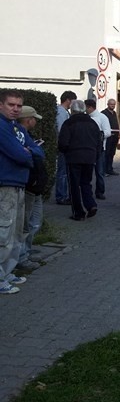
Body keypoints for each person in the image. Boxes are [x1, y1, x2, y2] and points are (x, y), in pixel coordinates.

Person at [0, 89, 44, 294]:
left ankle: (7, 273)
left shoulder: (17, 128)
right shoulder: (1, 127)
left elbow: (38, 152)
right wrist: (28, 154)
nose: (16, 109)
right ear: (1, 105)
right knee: (4, 233)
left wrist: (29, 152)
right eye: (11, 105)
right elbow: (20, 154)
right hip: (5, 185)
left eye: (19, 105)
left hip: (19, 185)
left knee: (17, 233)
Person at [58, 100, 102, 221]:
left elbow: (63, 143)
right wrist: (96, 156)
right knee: (86, 183)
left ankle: (78, 213)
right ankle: (91, 205)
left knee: (74, 186)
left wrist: (65, 152)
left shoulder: (68, 123)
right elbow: (99, 142)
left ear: (72, 110)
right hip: (90, 158)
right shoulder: (93, 123)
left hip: (74, 158)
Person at [17, 106, 47, 271]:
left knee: (34, 222)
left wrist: (33, 150)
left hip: (36, 188)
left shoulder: (27, 136)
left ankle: (25, 253)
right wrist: (32, 151)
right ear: (28, 120)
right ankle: (21, 257)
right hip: (29, 186)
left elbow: (39, 153)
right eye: (34, 118)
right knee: (26, 224)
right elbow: (24, 156)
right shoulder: (18, 135)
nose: (36, 121)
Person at [85, 99, 111, 200]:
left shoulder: (102, 117)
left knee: (99, 172)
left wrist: (98, 136)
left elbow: (108, 132)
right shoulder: (86, 118)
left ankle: (100, 191)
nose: (85, 110)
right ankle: (87, 191)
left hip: (100, 149)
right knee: (87, 172)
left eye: (86, 108)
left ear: (90, 107)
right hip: (88, 149)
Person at [55, 90, 76, 204]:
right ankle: (61, 196)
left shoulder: (64, 112)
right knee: (62, 172)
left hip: (63, 145)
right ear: (68, 100)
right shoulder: (61, 113)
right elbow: (62, 131)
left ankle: (63, 194)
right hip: (63, 147)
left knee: (64, 172)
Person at [102, 98, 120, 176]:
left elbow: (116, 123)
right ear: (108, 104)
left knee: (112, 153)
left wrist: (118, 132)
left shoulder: (114, 113)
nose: (112, 106)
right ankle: (104, 170)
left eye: (114, 104)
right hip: (108, 137)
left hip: (114, 137)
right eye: (111, 104)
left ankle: (110, 169)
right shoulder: (104, 113)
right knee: (106, 153)